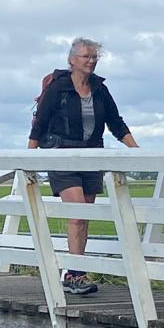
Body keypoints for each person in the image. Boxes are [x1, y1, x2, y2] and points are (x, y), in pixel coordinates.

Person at [27, 37, 139, 296]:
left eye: (94, 57)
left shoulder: (99, 89)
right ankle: (75, 274)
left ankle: (75, 273)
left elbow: (116, 123)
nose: (91, 61)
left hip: (91, 156)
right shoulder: (59, 87)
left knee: (84, 216)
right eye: (86, 56)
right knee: (77, 214)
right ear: (72, 60)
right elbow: (40, 123)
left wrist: (137, 151)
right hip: (62, 156)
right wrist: (29, 159)